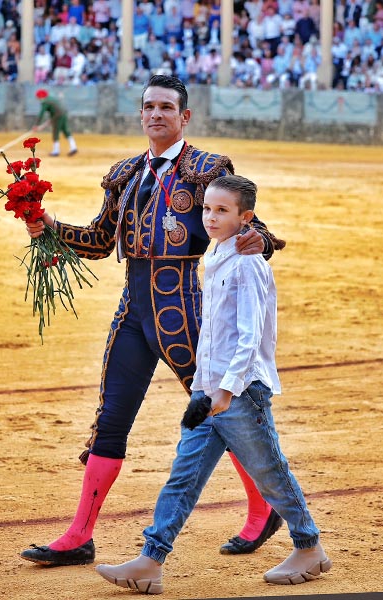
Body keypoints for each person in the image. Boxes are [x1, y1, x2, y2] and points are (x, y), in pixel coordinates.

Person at [20, 75, 285, 568]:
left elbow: (251, 223)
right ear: (141, 116)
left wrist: (259, 240)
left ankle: (263, 508)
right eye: (149, 107)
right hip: (134, 312)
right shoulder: (125, 175)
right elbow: (100, 242)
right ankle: (80, 535)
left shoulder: (208, 168)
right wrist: (49, 225)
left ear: (184, 117)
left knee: (222, 413)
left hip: (186, 313)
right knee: (110, 419)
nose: (157, 114)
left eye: (167, 107)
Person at [95, 175, 332, 593]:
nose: (210, 217)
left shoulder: (247, 262)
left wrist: (226, 389)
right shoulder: (219, 253)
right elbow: (213, 335)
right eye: (207, 208)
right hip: (210, 392)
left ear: (247, 218)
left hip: (240, 393)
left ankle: (309, 546)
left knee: (270, 473)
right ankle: (151, 561)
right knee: (182, 476)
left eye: (222, 210)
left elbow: (251, 334)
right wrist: (205, 390)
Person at [33, 89, 78, 157]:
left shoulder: (45, 101)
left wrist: (36, 125)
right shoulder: (50, 98)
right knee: (66, 131)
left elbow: (41, 114)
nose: (38, 99)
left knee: (55, 132)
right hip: (63, 113)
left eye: (38, 97)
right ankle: (73, 147)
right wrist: (51, 120)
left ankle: (56, 151)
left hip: (58, 115)